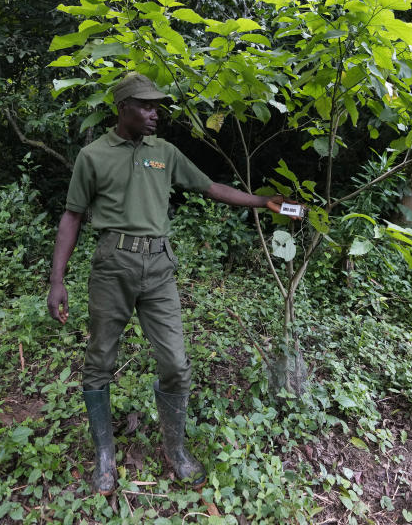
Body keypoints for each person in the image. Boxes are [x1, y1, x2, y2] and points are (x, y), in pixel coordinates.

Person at [47, 72, 295, 496]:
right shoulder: (93, 155)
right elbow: (72, 216)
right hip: (112, 265)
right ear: (122, 108)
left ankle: (174, 449)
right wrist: (57, 280)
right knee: (100, 359)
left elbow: (209, 186)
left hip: (158, 266)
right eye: (145, 105)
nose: (154, 112)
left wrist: (262, 201)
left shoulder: (164, 152)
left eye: (156, 105)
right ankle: (105, 455)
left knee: (177, 364)